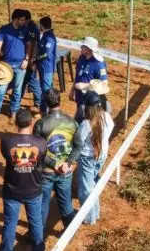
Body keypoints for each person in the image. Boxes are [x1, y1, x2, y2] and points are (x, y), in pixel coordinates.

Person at [0, 109, 48, 251]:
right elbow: (42, 159)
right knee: (36, 222)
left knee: (10, 223)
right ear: (31, 123)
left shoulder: (6, 141)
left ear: (16, 123)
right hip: (33, 188)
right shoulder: (40, 142)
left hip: (12, 189)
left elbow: (7, 156)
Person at [34, 89, 82, 233]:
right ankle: (70, 231)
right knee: (65, 202)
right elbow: (79, 146)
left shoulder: (41, 124)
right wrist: (67, 163)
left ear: (46, 103)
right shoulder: (72, 122)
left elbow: (38, 151)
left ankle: (38, 235)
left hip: (46, 171)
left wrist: (54, 164)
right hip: (65, 171)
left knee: (43, 204)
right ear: (59, 101)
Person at [77, 91, 114, 225]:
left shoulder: (86, 124)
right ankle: (95, 213)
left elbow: (79, 142)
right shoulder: (107, 117)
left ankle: (89, 218)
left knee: (85, 190)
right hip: (101, 154)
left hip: (88, 158)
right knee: (92, 184)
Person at [0, 9, 33, 118]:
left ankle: (14, 111)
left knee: (17, 90)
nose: (24, 22)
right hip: (5, 65)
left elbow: (29, 46)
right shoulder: (3, 30)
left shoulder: (25, 30)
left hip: (20, 65)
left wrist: (27, 60)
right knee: (1, 89)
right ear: (15, 19)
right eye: (22, 20)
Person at [73, 36, 108, 121]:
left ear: (89, 49)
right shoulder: (81, 58)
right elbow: (78, 75)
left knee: (89, 121)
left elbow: (104, 83)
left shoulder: (99, 64)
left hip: (91, 102)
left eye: (83, 46)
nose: (81, 48)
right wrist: (72, 90)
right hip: (80, 97)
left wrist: (85, 85)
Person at [35, 16, 58, 115]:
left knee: (46, 90)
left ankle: (44, 111)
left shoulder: (49, 38)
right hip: (43, 67)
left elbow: (46, 54)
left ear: (41, 25)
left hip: (46, 68)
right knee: (44, 88)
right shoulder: (45, 35)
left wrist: (35, 59)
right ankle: (44, 109)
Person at [22, 11, 42, 109]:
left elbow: (35, 45)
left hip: (31, 59)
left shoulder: (33, 28)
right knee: (24, 79)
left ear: (28, 19)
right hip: (27, 59)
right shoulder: (27, 27)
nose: (22, 22)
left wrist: (32, 60)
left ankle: (39, 101)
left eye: (23, 20)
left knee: (32, 79)